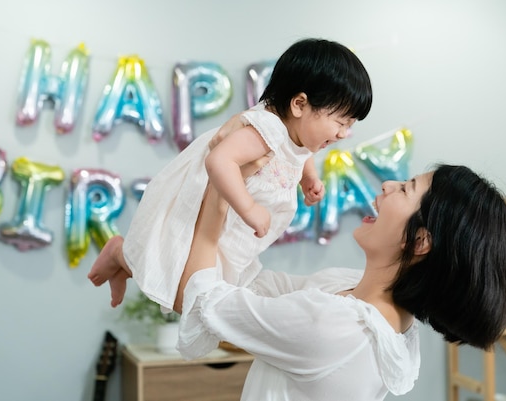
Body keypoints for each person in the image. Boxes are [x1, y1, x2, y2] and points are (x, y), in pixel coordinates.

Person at [162, 162, 506, 401]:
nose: (389, 185)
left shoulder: (337, 325)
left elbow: (206, 300)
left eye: (407, 189)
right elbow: (251, 284)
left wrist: (220, 188)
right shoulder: (363, 301)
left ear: (420, 241)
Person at [88, 38, 373, 308]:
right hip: (206, 211)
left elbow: (299, 153)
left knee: (201, 295)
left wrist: (308, 177)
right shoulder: (265, 130)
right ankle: (119, 254)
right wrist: (248, 208)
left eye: (350, 125)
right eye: (341, 122)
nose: (344, 134)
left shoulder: (295, 133)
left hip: (230, 229)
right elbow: (219, 160)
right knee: (184, 296)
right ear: (299, 104)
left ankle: (122, 259)